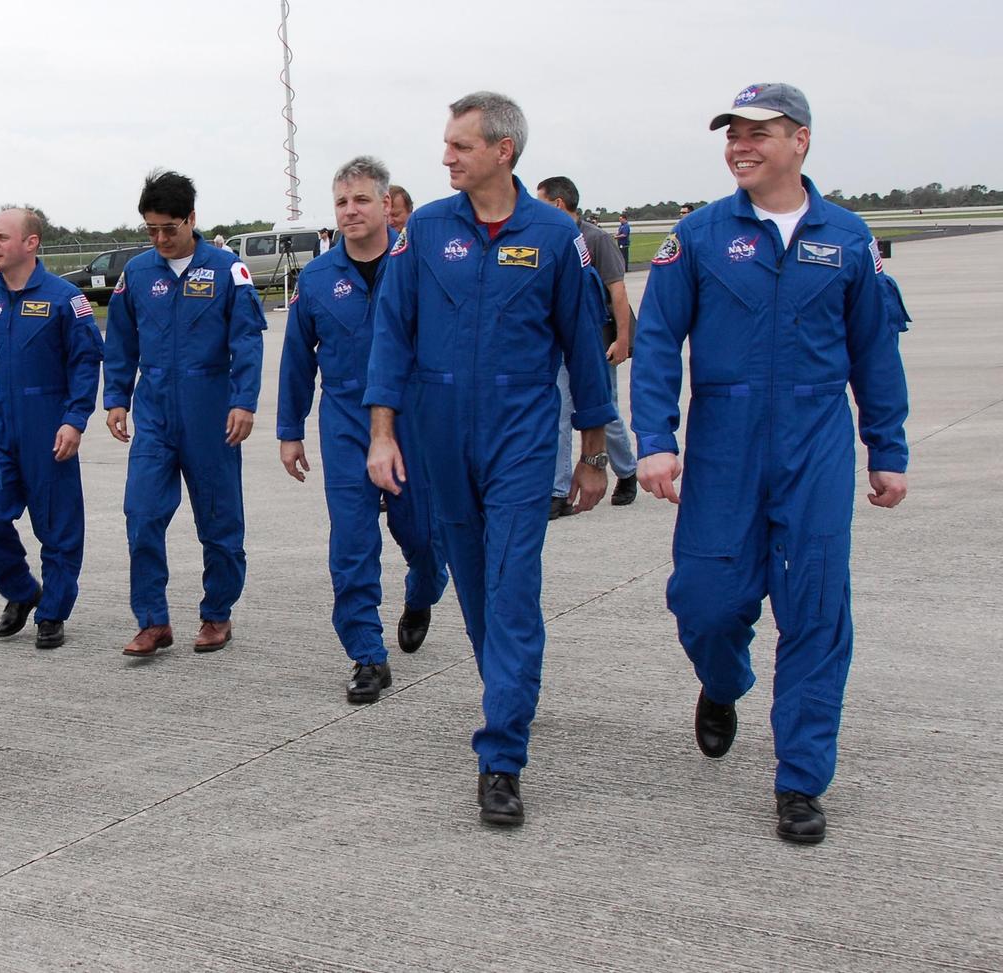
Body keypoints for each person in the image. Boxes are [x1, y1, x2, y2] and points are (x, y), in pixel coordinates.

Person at [632, 83, 910, 845]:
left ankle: (800, 779)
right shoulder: (698, 236)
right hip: (724, 442)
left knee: (816, 609)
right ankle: (723, 681)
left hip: (815, 443)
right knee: (706, 602)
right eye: (733, 134)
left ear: (801, 140)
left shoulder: (847, 238)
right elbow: (656, 339)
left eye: (758, 132)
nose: (741, 145)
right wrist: (655, 436)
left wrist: (886, 448)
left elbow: (875, 351)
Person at [365, 92, 614, 827]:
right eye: (447, 144)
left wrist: (594, 451)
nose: (446, 157)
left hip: (521, 435)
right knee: (475, 588)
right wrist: (382, 433)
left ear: (503, 151)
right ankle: (508, 685)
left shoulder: (556, 237)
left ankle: (501, 755)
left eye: (461, 146)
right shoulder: (425, 231)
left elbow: (584, 348)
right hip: (440, 434)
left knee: (511, 589)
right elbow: (392, 334)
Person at [277, 156, 448, 704]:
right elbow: (297, 358)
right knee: (352, 541)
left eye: (361, 200)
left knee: (422, 535)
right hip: (346, 420)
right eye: (341, 202)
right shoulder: (317, 278)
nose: (350, 211)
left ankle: (423, 591)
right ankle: (367, 654)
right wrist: (290, 429)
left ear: (386, 204)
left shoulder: (420, 265)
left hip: (412, 421)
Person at [104, 170, 266, 656]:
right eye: (150, 230)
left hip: (210, 413)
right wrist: (116, 398)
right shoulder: (137, 274)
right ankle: (152, 621)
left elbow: (247, 341)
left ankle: (217, 613)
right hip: (155, 413)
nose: (160, 239)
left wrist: (244, 401)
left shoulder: (227, 270)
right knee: (141, 514)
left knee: (219, 523)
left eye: (168, 229)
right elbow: (121, 342)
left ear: (191, 219)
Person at [0, 208, 104, 650]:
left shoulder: (65, 298)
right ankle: (21, 590)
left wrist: (74, 419)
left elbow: (85, 362)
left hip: (47, 425)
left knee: (58, 525)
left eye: (2, 237)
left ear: (31, 243)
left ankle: (53, 612)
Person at [537, 177, 639, 513]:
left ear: (558, 203)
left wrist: (623, 340)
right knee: (561, 412)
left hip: (597, 340)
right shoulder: (550, 238)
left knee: (604, 412)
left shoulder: (596, 239)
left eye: (541, 200)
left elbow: (618, 292)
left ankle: (627, 471)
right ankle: (559, 490)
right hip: (562, 342)